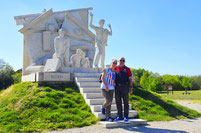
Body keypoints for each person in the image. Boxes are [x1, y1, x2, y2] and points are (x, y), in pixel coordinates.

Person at [114, 57, 133, 122]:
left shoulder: (127, 69)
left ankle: (126, 116)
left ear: (124, 62)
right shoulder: (115, 68)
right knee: (118, 102)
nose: (122, 61)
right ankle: (119, 116)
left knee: (126, 102)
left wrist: (131, 87)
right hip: (117, 87)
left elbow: (130, 79)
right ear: (118, 61)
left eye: (123, 60)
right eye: (120, 60)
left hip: (125, 87)